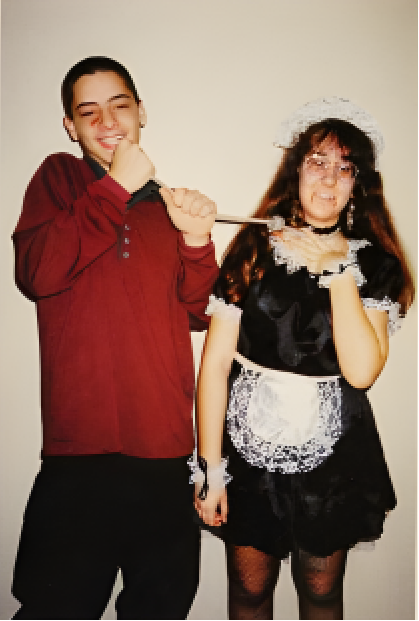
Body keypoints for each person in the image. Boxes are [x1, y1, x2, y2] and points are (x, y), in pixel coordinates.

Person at [11, 56, 218, 620]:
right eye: (88, 112)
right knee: (55, 607)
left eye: (119, 105)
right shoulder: (58, 180)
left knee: (160, 609)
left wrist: (197, 240)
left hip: (165, 451)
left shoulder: (167, 205)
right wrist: (115, 187)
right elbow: (36, 272)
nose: (107, 121)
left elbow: (200, 312)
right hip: (79, 454)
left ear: (141, 112)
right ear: (70, 127)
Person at [192, 97, 414, 620]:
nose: (330, 178)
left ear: (358, 184)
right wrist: (211, 469)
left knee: (320, 590)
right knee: (249, 589)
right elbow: (216, 366)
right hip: (247, 448)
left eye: (345, 167)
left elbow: (362, 371)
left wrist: (338, 271)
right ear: (295, 171)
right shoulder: (251, 248)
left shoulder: (374, 265)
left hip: (334, 457)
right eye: (318, 162)